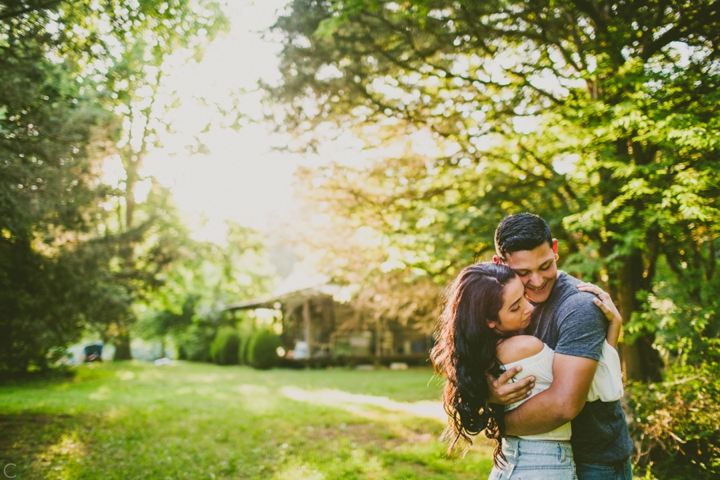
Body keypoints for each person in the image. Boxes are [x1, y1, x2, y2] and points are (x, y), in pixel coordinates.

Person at [431, 262, 623, 479]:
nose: (529, 307)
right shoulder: (525, 347)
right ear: (489, 321)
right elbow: (596, 388)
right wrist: (613, 329)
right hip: (542, 465)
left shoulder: (482, 355)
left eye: (523, 296)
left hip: (514, 462)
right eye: (515, 307)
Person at [488, 213, 633, 479]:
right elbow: (453, 354)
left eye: (545, 266)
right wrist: (486, 391)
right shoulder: (499, 305)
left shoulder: (579, 306)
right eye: (523, 272)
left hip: (596, 460)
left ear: (554, 249)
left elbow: (564, 404)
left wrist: (497, 423)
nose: (537, 280)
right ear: (500, 264)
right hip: (529, 454)